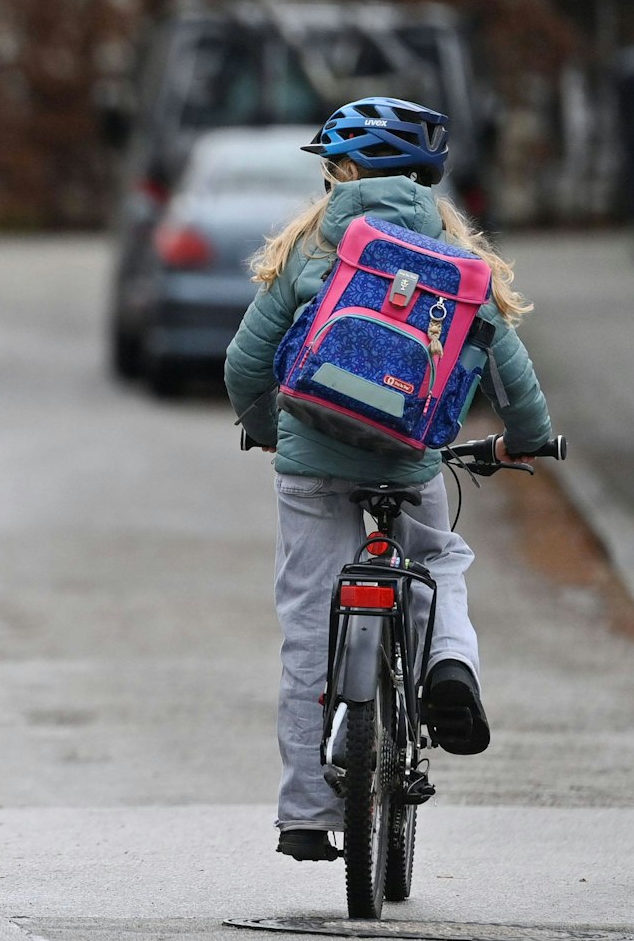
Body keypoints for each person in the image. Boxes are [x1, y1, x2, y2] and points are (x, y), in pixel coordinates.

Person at [223, 98, 555, 863]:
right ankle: (447, 664)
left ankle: (306, 812)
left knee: (310, 622)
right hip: (409, 462)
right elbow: (508, 366)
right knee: (438, 561)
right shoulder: (452, 250)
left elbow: (245, 362)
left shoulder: (313, 245)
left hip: (311, 464)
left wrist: (272, 429)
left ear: (340, 173)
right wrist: (528, 440)